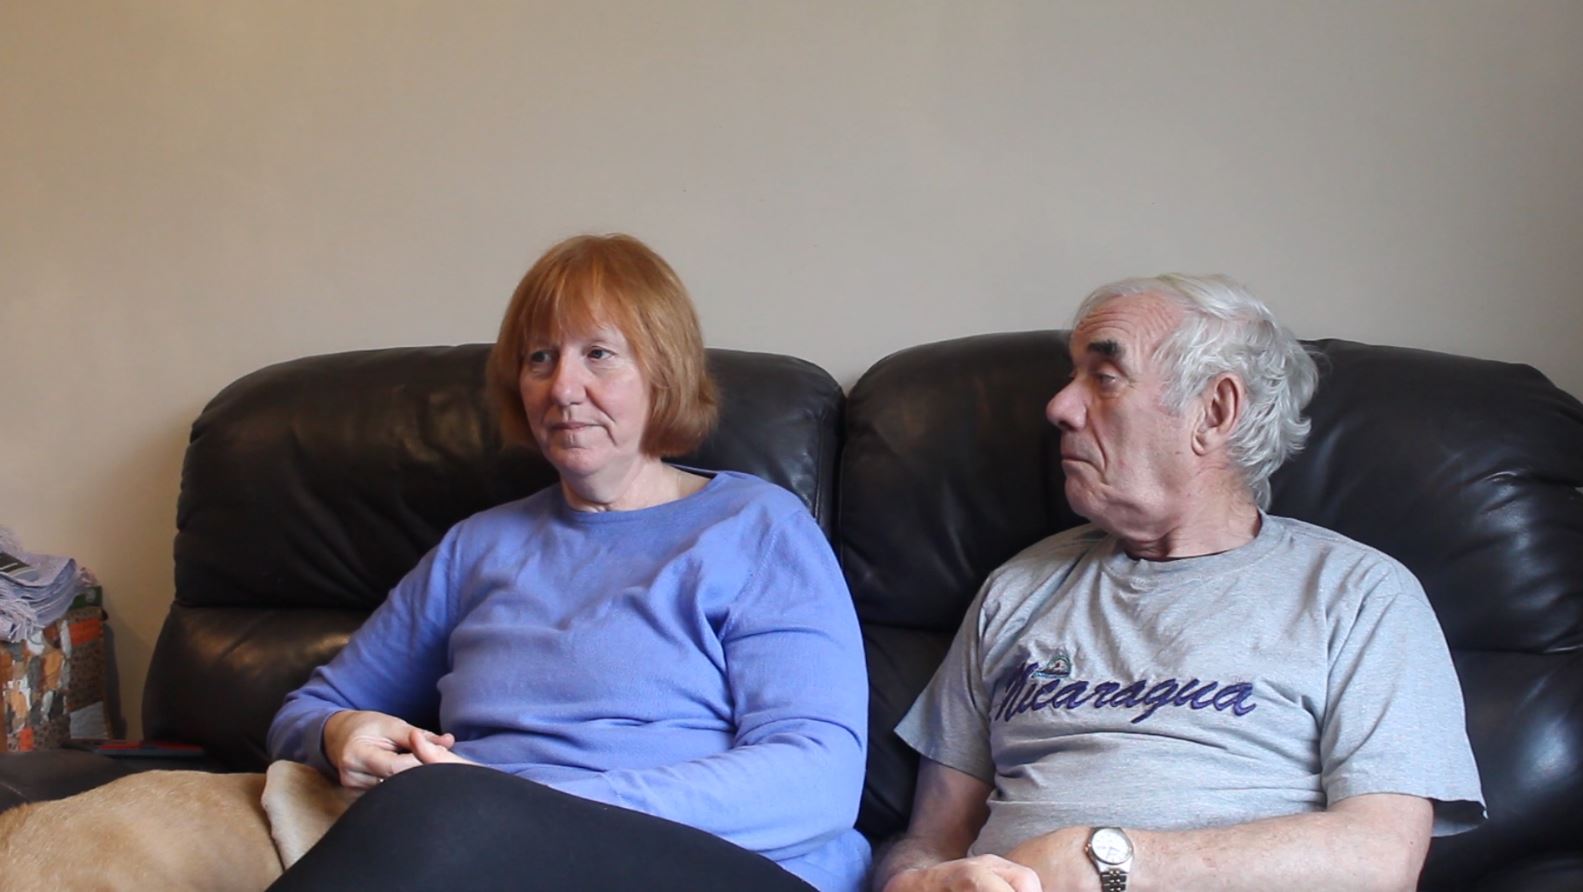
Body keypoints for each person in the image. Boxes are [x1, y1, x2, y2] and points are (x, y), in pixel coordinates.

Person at [266, 234, 870, 891]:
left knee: (435, 811)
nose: (563, 388)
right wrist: (338, 732)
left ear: (662, 372)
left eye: (599, 355)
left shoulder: (756, 527)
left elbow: (818, 777)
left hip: (709, 860)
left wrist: (531, 811)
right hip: (475, 846)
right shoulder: (477, 546)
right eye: (540, 359)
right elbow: (310, 709)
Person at [874, 275, 1485, 892]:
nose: (1059, 407)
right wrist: (917, 883)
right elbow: (931, 839)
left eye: (1105, 378)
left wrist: (1102, 861)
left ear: (1215, 411)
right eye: (1072, 376)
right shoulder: (1017, 588)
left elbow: (1380, 859)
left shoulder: (1358, 593)